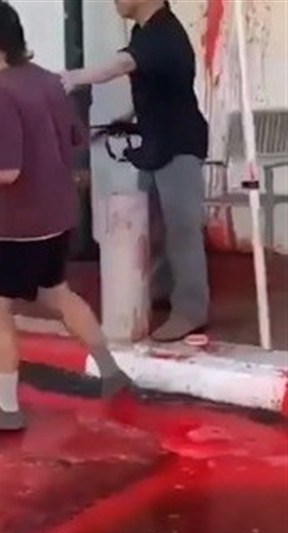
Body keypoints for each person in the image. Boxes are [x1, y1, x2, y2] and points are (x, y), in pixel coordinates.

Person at [0, 0, 132, 432]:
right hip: (57, 214)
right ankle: (111, 371)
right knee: (57, 292)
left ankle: (6, 408)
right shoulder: (48, 82)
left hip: (16, 225)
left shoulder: (0, 95)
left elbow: (6, 171)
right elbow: (75, 140)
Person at [60, 0, 209, 342]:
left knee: (181, 228)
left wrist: (72, 78)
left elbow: (123, 64)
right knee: (153, 225)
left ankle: (191, 309)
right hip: (156, 141)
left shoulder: (163, 32)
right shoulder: (145, 32)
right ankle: (160, 289)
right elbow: (158, 87)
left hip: (179, 143)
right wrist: (126, 118)